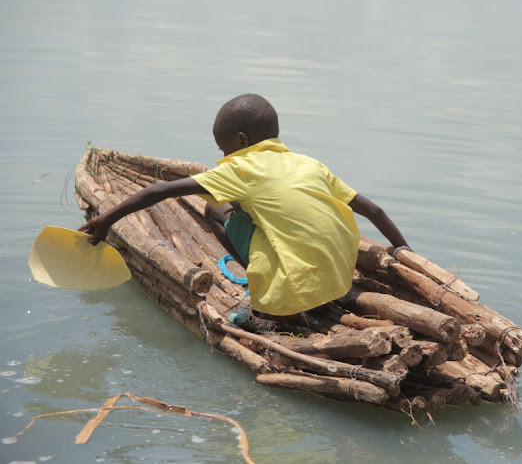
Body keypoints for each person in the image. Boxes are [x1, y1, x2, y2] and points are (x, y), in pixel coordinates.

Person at [79, 94, 409, 327]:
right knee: (248, 208)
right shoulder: (309, 164)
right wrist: (403, 250)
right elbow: (375, 211)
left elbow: (158, 191)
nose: (223, 154)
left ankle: (270, 311)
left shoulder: (241, 169)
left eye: (223, 148)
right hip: (339, 278)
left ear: (240, 140)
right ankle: (300, 295)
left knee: (213, 209)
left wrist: (106, 219)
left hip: (289, 296)